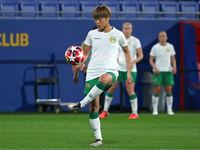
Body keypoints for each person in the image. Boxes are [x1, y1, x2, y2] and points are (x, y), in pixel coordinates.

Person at [67, 5, 132, 146]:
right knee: (94, 108)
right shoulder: (91, 34)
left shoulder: (118, 34)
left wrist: (128, 71)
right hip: (92, 72)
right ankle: (98, 139)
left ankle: (80, 103)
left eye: (100, 19)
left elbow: (127, 52)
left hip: (111, 71)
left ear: (108, 18)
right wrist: (77, 71)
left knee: (104, 79)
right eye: (95, 19)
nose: (97, 22)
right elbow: (85, 54)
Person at [99, 22, 143, 119]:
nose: (127, 30)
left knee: (130, 90)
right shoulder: (117, 39)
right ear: (122, 29)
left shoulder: (135, 41)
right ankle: (105, 111)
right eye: (125, 28)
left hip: (130, 70)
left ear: (131, 30)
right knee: (111, 88)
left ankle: (135, 113)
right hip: (118, 69)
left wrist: (132, 62)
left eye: (129, 28)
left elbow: (141, 56)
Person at [149, 31, 177, 115]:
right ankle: (155, 110)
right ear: (158, 38)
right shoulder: (155, 47)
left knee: (169, 90)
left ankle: (169, 110)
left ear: (166, 37)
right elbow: (151, 60)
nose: (162, 37)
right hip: (158, 71)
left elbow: (173, 59)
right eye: (161, 36)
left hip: (168, 71)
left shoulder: (170, 47)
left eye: (164, 36)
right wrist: (155, 68)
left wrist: (174, 66)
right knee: (157, 89)